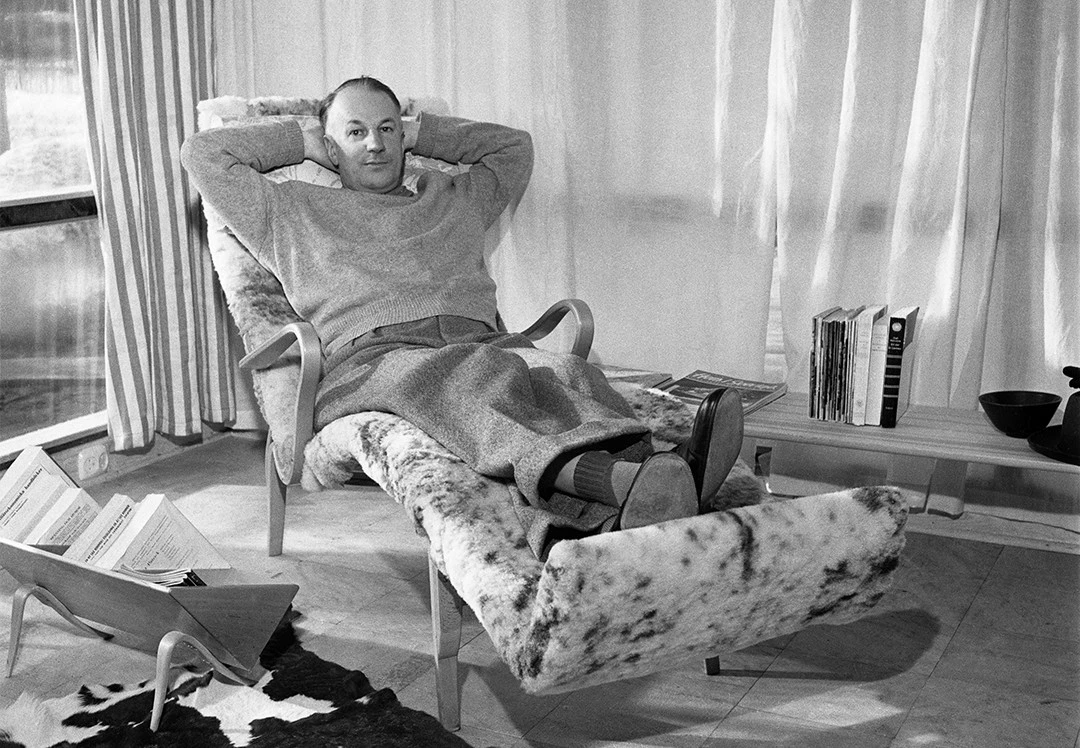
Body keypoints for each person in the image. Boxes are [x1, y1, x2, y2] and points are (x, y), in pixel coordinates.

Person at [181, 76, 744, 555]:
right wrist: (303, 140)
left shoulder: (451, 195)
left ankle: (642, 495)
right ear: (329, 147)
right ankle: (629, 484)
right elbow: (203, 155)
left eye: (387, 129)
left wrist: (421, 131)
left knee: (568, 374)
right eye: (355, 132)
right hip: (376, 362)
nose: (375, 144)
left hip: (481, 344)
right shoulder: (289, 210)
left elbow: (513, 148)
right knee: (470, 383)